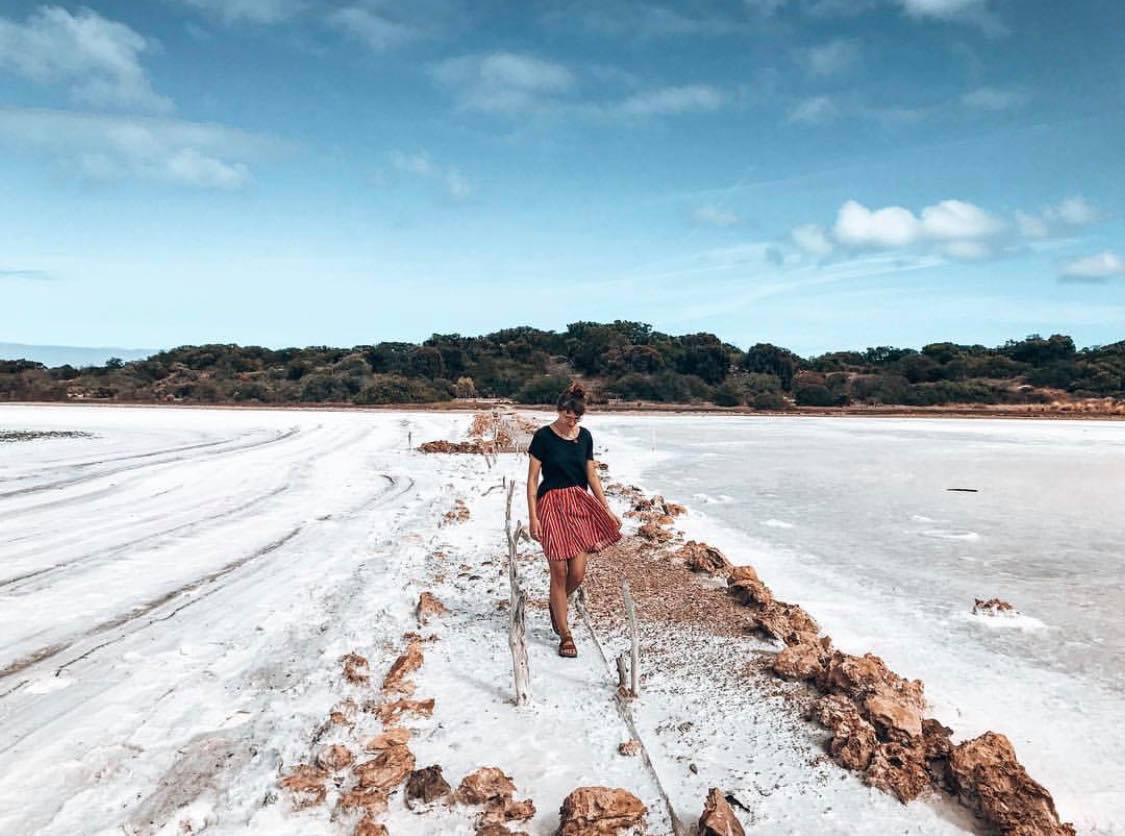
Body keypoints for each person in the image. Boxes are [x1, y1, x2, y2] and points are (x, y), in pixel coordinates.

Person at [527, 382, 622, 658]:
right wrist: (533, 516)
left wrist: (607, 509)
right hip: (551, 504)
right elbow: (532, 480)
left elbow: (592, 476)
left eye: (577, 418)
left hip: (579, 504)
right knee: (558, 571)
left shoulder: (586, 437)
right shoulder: (543, 437)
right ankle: (565, 633)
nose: (572, 421)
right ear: (559, 411)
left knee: (577, 573)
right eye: (568, 416)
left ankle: (556, 604)